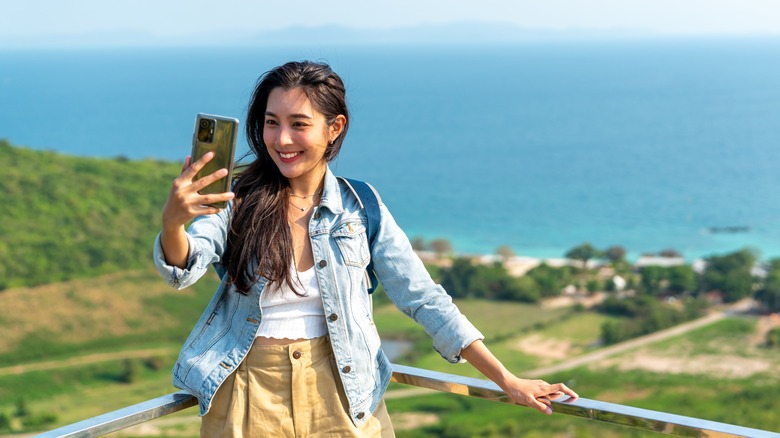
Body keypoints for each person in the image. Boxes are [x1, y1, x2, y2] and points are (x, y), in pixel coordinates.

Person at [154, 60, 578, 437]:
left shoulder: (360, 208)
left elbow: (424, 298)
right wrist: (174, 221)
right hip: (248, 395)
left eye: (299, 124)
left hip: (344, 393)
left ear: (334, 127)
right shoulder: (238, 201)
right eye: (271, 122)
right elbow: (184, 265)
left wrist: (507, 379)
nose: (281, 139)